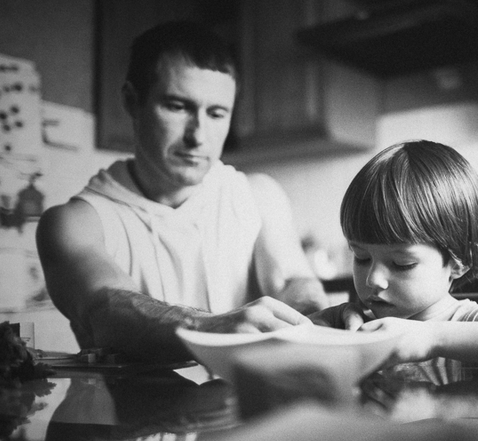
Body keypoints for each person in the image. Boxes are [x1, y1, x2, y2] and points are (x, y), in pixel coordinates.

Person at [36, 20, 328, 362]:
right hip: (130, 401)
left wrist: (311, 314)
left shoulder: (258, 195)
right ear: (132, 101)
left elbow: (293, 280)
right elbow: (107, 309)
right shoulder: (74, 223)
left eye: (216, 113)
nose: (198, 136)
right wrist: (212, 328)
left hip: (247, 398)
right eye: (177, 107)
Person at [310, 140, 478, 378]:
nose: (373, 279)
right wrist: (323, 325)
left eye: (402, 264)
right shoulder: (362, 325)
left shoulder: (469, 320)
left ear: (459, 261)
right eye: (361, 257)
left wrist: (431, 338)